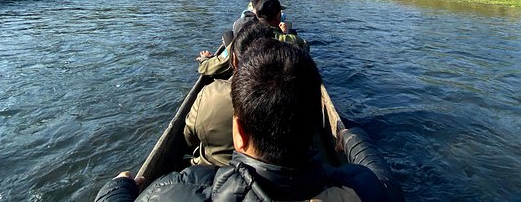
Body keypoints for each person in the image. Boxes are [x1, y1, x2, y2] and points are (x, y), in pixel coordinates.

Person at [95, 40, 389, 202]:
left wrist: (117, 189)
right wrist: (353, 137)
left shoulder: (171, 191)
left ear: (239, 133)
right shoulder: (367, 190)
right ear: (314, 123)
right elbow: (378, 174)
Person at [183, 19, 273, 167]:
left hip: (212, 169)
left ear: (234, 61)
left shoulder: (209, 94)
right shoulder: (287, 93)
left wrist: (206, 60)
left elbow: (189, 138)